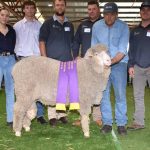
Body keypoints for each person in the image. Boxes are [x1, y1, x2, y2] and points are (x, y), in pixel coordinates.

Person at [91, 2, 129, 135]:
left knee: (120, 94)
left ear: (116, 15)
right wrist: (99, 62)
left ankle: (121, 123)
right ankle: (107, 123)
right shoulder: (96, 26)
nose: (109, 17)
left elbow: (122, 50)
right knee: (104, 94)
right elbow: (94, 48)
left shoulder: (124, 27)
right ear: (103, 14)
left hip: (119, 64)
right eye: (106, 14)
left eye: (112, 14)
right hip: (102, 67)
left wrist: (110, 62)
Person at [39, 0, 78, 127]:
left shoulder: (70, 24)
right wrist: (45, 60)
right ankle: (52, 116)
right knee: (52, 89)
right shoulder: (48, 23)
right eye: (57, 5)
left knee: (64, 89)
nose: (60, 7)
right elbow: (42, 42)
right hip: (52, 63)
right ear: (54, 7)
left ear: (65, 6)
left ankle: (61, 114)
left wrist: (74, 59)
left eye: (62, 5)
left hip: (67, 63)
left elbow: (72, 44)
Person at [14, 1, 47, 124]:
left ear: (34, 10)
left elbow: (43, 42)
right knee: (23, 89)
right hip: (22, 60)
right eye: (27, 8)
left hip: (37, 61)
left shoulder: (40, 25)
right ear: (23, 10)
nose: (29, 10)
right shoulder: (17, 26)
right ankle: (22, 113)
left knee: (38, 88)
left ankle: (39, 115)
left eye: (32, 8)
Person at [72, 0, 102, 127]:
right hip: (85, 64)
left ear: (98, 9)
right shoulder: (83, 25)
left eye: (93, 9)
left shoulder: (104, 23)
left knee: (98, 90)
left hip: (99, 64)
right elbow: (75, 42)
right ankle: (83, 116)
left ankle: (98, 116)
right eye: (89, 9)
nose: (91, 11)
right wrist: (75, 56)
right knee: (83, 90)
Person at [127, 1, 150, 131]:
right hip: (138, 68)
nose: (145, 12)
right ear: (140, 12)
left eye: (148, 9)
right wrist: (130, 65)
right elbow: (131, 50)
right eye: (143, 10)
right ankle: (139, 122)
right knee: (138, 95)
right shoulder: (134, 31)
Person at [0, 7, 16, 127]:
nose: (5, 17)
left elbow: (13, 45)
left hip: (10, 60)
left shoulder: (12, 30)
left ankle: (10, 119)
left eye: (7, 15)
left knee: (10, 90)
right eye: (2, 15)